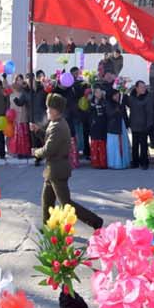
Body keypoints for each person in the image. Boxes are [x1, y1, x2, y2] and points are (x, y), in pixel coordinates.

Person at [33, 93, 103, 230]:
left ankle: (95, 221)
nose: (47, 111)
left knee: (66, 204)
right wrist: (38, 131)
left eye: (48, 108)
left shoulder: (58, 126)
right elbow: (50, 141)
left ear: (55, 110)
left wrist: (35, 152)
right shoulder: (56, 123)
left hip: (57, 169)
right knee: (47, 200)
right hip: (53, 170)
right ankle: (48, 226)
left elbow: (49, 149)